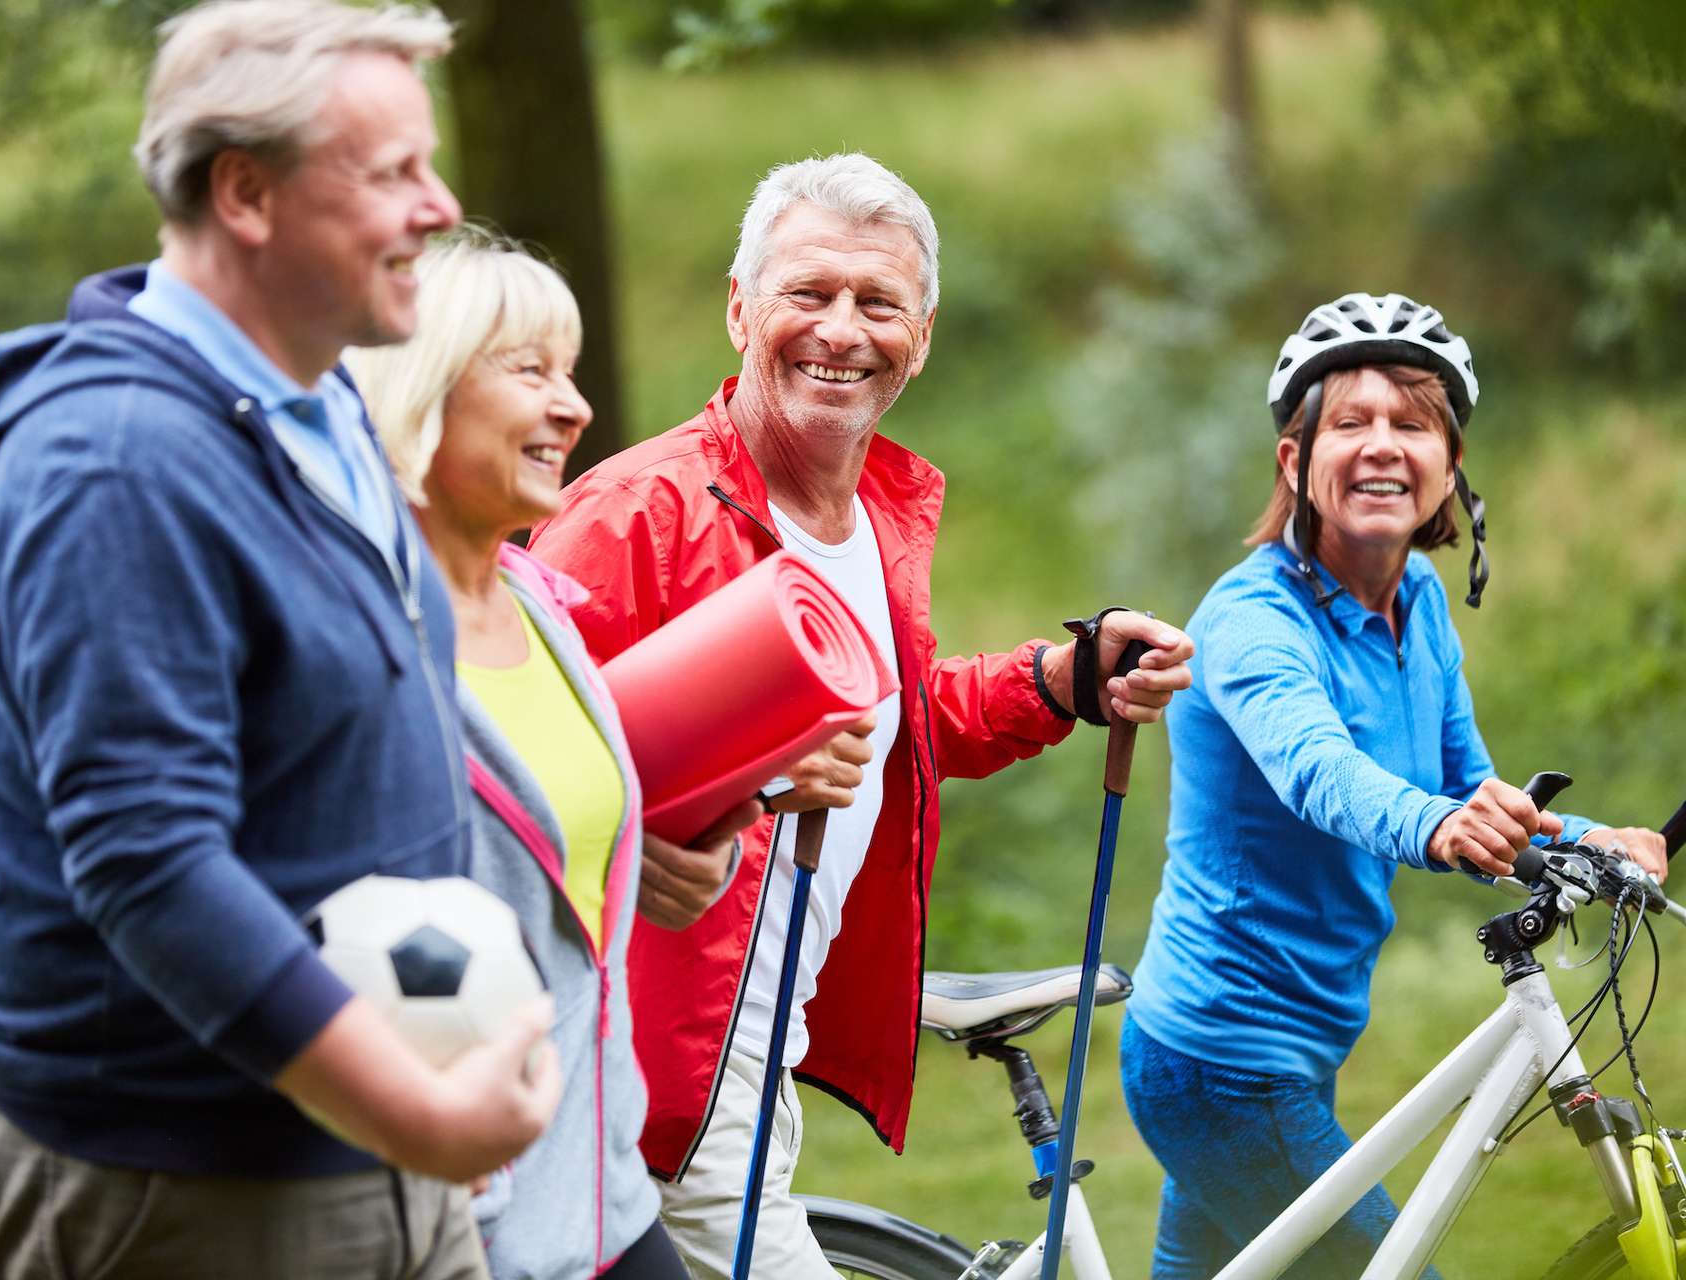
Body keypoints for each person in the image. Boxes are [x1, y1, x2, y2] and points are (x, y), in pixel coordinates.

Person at [0, 6, 562, 1278]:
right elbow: (150, 864)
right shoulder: (118, 465)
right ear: (246, 193)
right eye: (392, 174)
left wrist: (431, 1069)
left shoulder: (318, 404)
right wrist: (411, 1105)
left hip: (364, 1151)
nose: (440, 207)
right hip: (179, 1185)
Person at [526, 152, 1195, 1278]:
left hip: (760, 1042)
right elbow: (506, 764)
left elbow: (888, 720)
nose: (842, 329)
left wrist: (1062, 681)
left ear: (919, 337)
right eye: (809, 292)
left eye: (878, 302)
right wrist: (665, 827)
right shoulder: (640, 514)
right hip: (653, 1052)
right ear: (741, 307)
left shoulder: (874, 510)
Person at [1119, 291, 1671, 1278]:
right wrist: (1439, 821)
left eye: (1413, 423)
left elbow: (1469, 787)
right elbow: (1320, 770)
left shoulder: (1418, 602)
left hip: (1299, 1046)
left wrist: (1597, 839)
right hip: (1221, 1061)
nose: (1383, 444)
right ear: (1296, 462)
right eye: (1351, 421)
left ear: (1450, 468)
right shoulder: (1252, 619)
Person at [344, 229, 760, 1280]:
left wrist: (667, 858)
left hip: (602, 1195)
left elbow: (559, 861)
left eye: (569, 373)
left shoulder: (539, 601)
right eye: (529, 371)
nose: (573, 407)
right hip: (444, 1228)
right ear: (419, 385)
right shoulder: (348, 637)